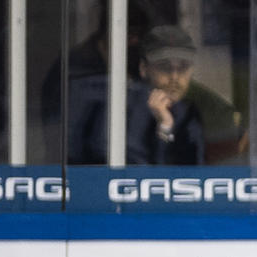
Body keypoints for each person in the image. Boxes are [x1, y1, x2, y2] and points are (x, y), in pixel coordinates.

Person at [66, 24, 206, 165]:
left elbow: (196, 172)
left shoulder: (188, 113)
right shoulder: (122, 107)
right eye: (165, 67)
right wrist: (164, 128)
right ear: (144, 69)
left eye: (183, 67)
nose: (175, 77)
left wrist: (165, 127)